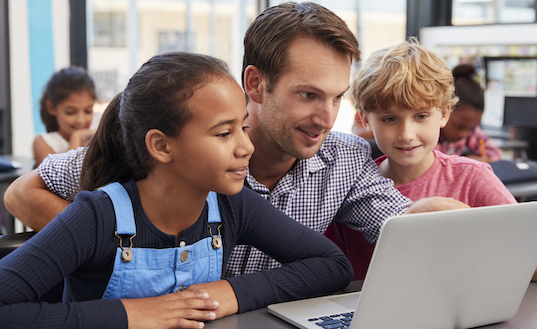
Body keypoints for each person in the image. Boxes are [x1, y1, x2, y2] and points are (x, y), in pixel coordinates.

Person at [4, 2, 467, 278]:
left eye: (337, 98)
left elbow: (395, 222)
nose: (326, 118)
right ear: (256, 84)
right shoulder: (188, 148)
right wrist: (105, 248)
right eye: (308, 95)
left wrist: (436, 217)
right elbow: (23, 192)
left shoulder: (346, 160)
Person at [0, 52, 353, 329]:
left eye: (243, 127)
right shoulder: (96, 217)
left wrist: (230, 292)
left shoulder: (232, 205)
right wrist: (131, 315)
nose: (246, 147)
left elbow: (332, 265)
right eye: (223, 133)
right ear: (162, 146)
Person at [325, 40, 537, 282]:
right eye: (390, 119)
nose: (407, 134)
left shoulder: (472, 178)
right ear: (365, 120)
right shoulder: (349, 183)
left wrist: (473, 233)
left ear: (445, 113)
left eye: (421, 116)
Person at [435, 64, 502, 163]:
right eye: (459, 126)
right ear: (444, 111)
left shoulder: (471, 133)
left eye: (470, 128)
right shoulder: (430, 135)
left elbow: (495, 153)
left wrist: (474, 161)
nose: (463, 134)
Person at [33, 66, 97, 166]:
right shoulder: (43, 142)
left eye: (88, 111)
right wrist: (76, 138)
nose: (81, 120)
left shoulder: (94, 139)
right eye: (70, 112)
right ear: (51, 107)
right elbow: (66, 178)